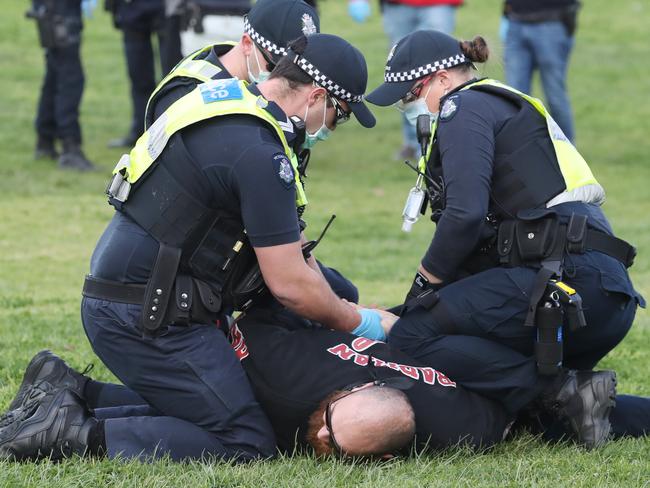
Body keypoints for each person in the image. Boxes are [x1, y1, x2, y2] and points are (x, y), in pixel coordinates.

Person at [0, 32, 388, 462]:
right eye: (340, 115)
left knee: (207, 409)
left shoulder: (226, 103)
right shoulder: (260, 153)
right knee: (244, 440)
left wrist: (338, 293)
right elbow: (290, 284)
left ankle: (68, 390)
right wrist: (358, 320)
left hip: (133, 295)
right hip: (150, 315)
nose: (332, 128)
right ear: (317, 96)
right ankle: (68, 434)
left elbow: (293, 250)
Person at [365, 30, 645, 447]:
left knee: (414, 333)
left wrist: (419, 293)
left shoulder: (464, 104)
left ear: (442, 78)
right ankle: (569, 397)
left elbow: (464, 216)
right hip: (600, 291)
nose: (408, 105)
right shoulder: (498, 105)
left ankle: (560, 393)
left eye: (411, 93)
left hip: (565, 280)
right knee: (552, 418)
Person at [145, 0, 358, 303]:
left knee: (341, 292)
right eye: (277, 67)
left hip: (247, 234)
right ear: (246, 43)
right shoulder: (193, 93)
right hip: (190, 253)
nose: (285, 79)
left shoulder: (276, 105)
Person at [348, 0, 463, 160]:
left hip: (438, 3)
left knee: (441, 71)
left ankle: (447, 139)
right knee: (401, 77)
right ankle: (414, 142)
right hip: (397, 4)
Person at [27, 0, 96, 171]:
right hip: (60, 11)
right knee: (70, 78)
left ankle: (45, 140)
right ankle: (70, 147)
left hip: (52, 9)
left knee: (55, 72)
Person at [106, 0, 183, 148]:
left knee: (172, 77)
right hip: (132, 8)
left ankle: (172, 133)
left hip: (167, 9)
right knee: (138, 76)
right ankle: (140, 132)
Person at [502, 0, 580, 142]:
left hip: (552, 22)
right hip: (515, 21)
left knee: (555, 96)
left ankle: (568, 153)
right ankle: (519, 152)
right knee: (514, 98)